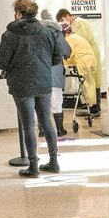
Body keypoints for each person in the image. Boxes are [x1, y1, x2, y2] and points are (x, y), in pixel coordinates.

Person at [0, 0, 68, 178]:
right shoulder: (46, 32)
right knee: (46, 121)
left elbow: (2, 62)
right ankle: (53, 161)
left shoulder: (10, 35)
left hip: (21, 83)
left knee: (28, 124)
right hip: (43, 81)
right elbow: (58, 57)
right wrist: (42, 65)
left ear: (18, 13)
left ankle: (33, 165)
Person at [56, 8, 102, 114]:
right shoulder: (72, 29)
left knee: (91, 81)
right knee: (89, 81)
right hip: (84, 53)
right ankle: (91, 106)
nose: (64, 22)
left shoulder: (81, 23)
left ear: (68, 15)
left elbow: (84, 40)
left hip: (88, 53)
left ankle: (94, 106)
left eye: (63, 19)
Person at [40, 9, 71, 137]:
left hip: (40, 72)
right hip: (56, 71)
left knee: (41, 103)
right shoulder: (57, 32)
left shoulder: (36, 32)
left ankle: (42, 131)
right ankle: (59, 129)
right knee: (57, 100)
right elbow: (66, 51)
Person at [63, 24, 98, 114]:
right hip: (91, 60)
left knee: (86, 84)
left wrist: (63, 63)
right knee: (90, 83)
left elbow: (68, 54)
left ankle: (91, 107)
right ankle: (91, 105)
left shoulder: (69, 39)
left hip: (83, 62)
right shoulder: (77, 37)